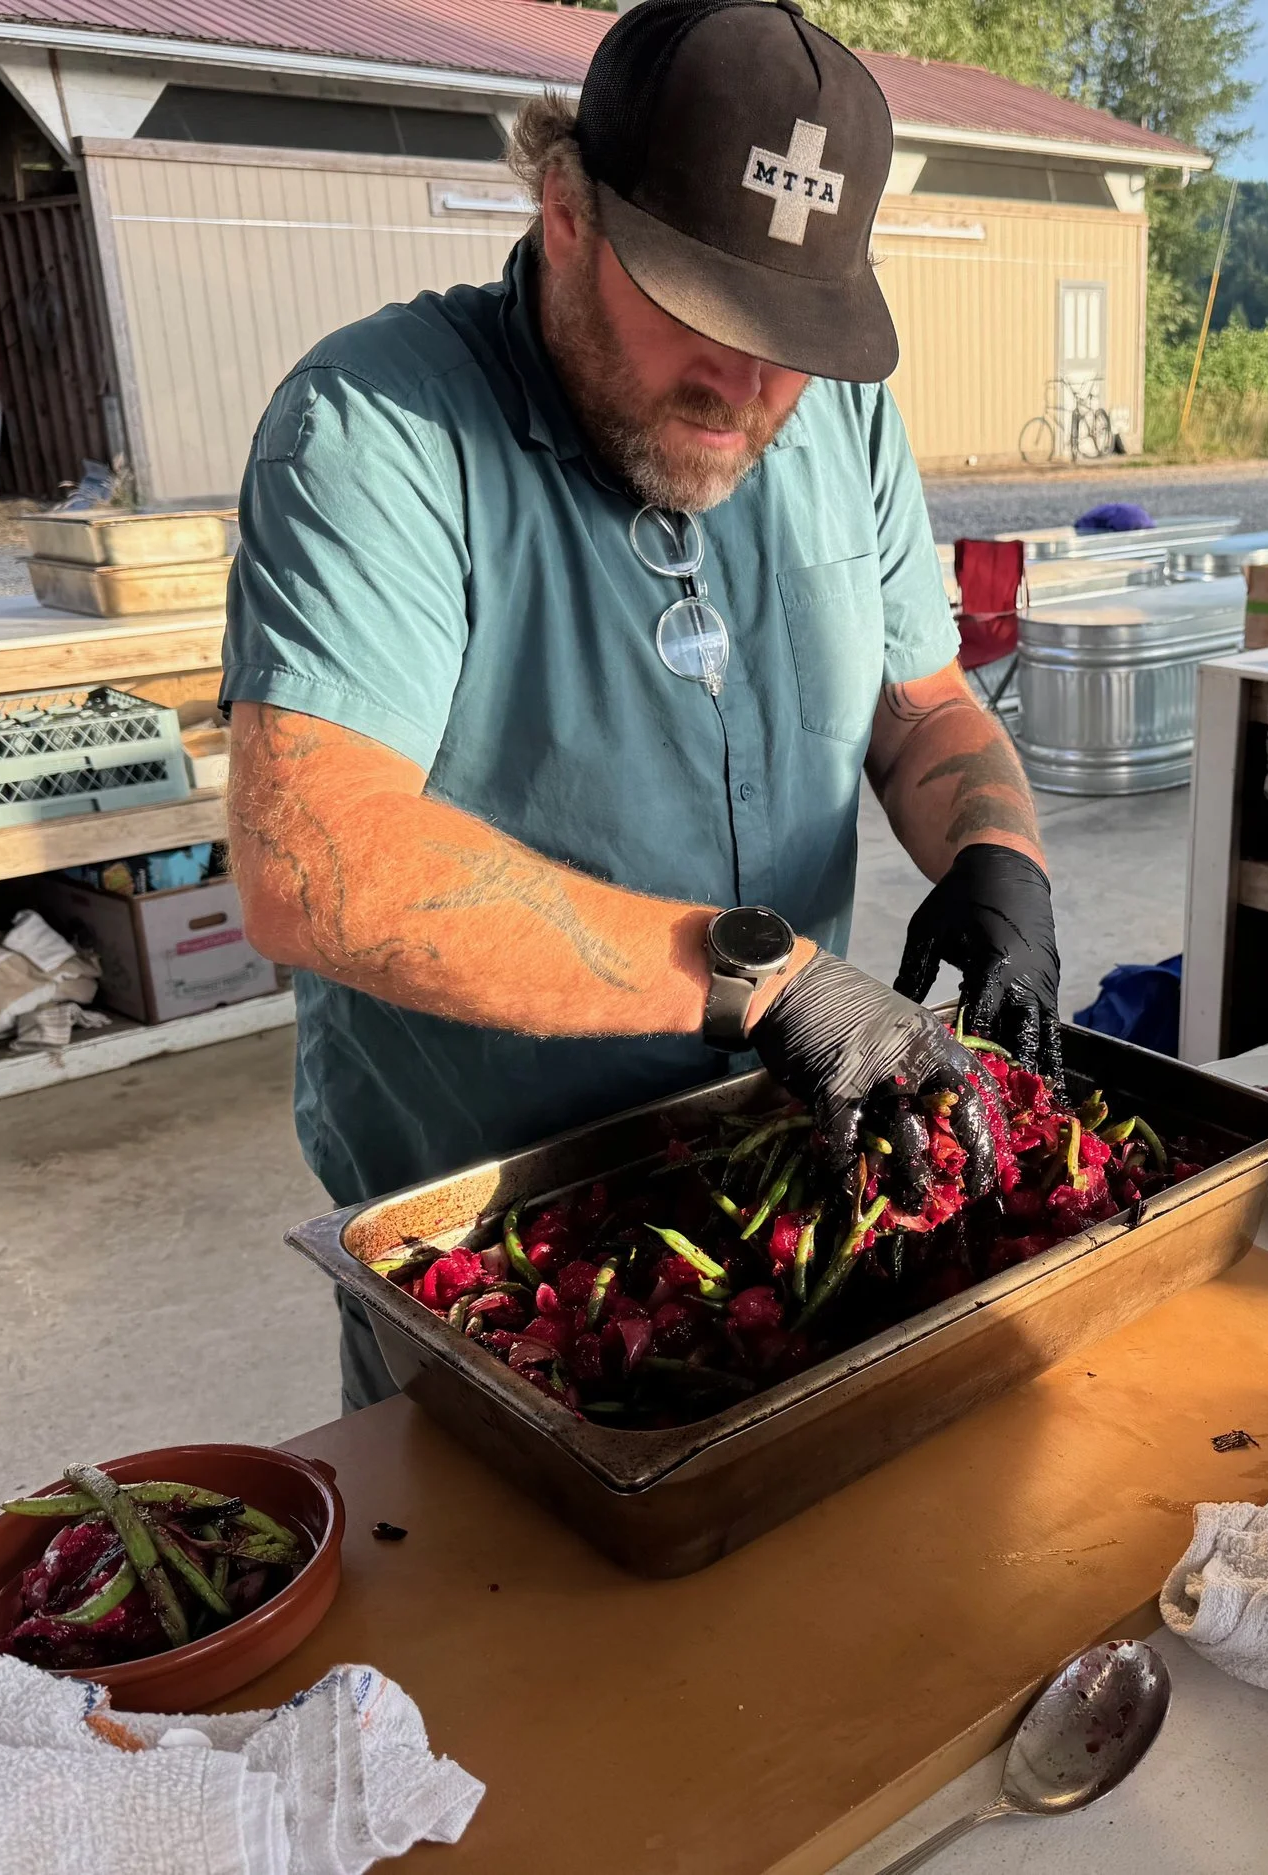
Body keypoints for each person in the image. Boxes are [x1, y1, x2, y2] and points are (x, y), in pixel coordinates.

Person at [221, 0, 1060, 1411]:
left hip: (788, 1163)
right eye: (704, 313)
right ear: (567, 214)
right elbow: (317, 861)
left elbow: (920, 706)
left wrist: (1000, 861)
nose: (747, 387)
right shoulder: (379, 427)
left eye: (791, 334)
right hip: (499, 1249)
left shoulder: (839, 417)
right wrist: (759, 979)